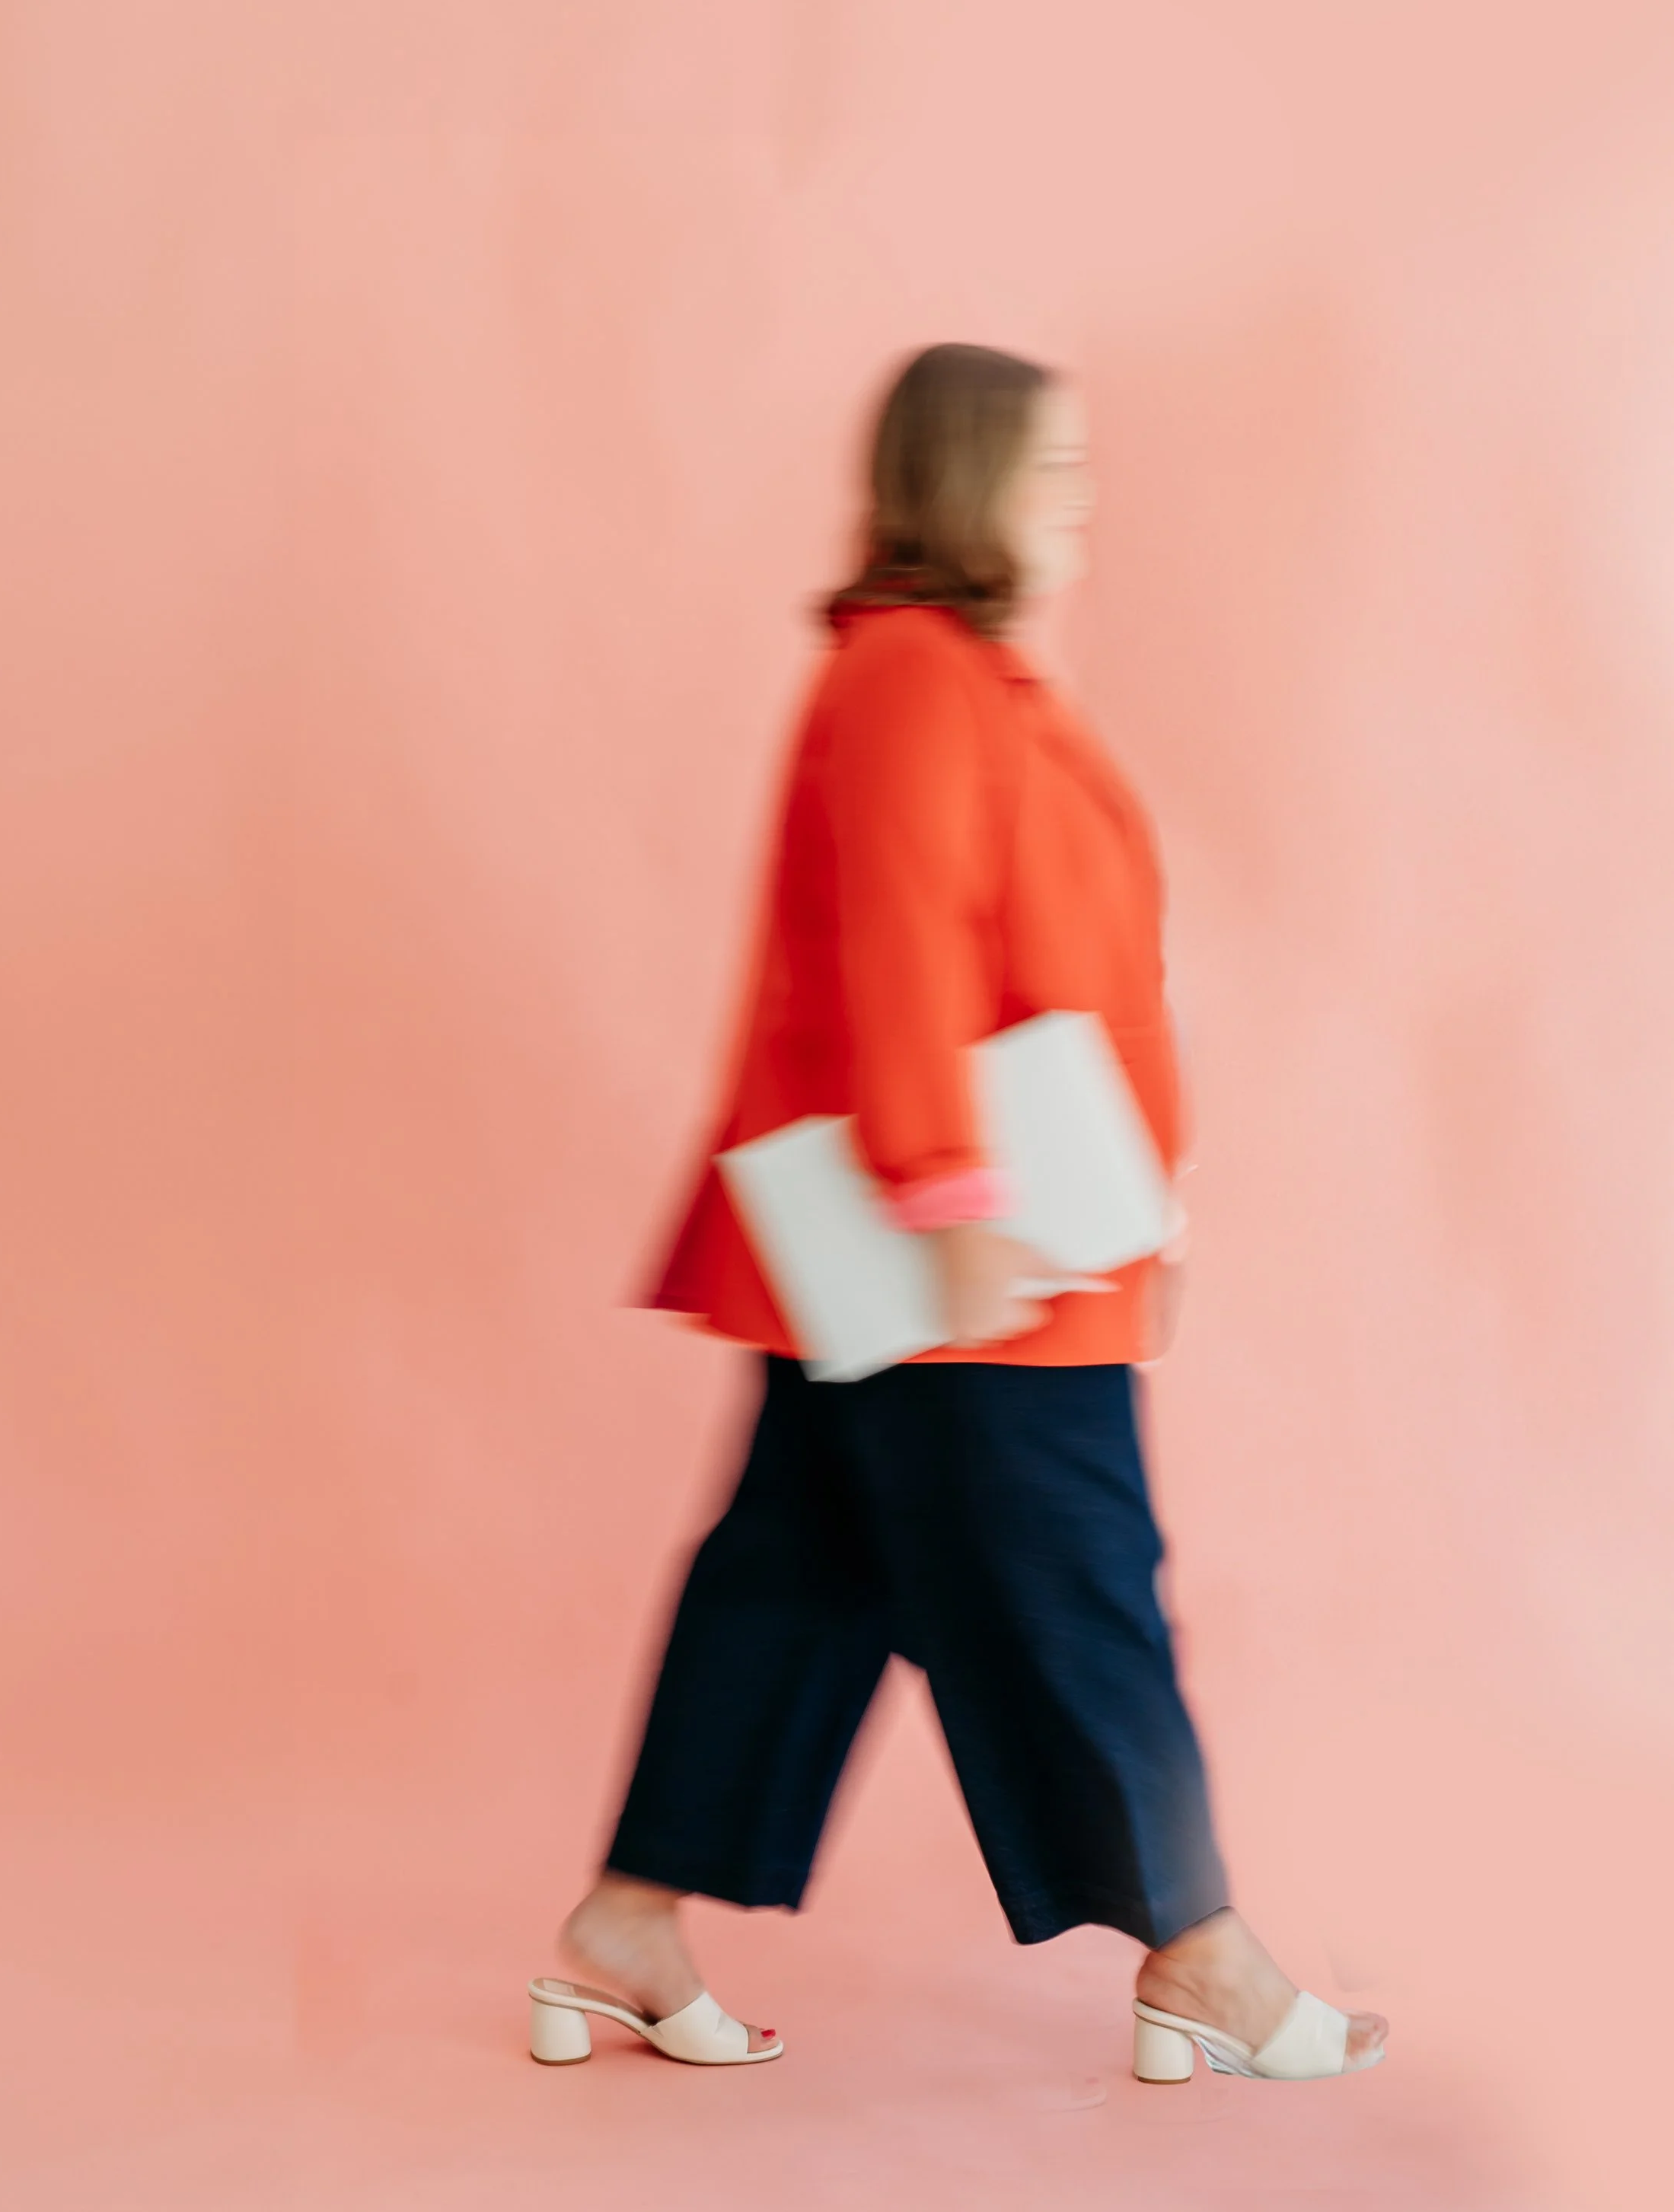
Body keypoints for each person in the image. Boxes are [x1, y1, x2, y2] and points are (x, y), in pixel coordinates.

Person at [527, 343, 1386, 2086]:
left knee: (798, 1580)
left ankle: (620, 1928)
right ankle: (1200, 1962)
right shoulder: (916, 679)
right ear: (962, 480)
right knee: (1078, 1585)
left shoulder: (961, 680)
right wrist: (944, 1195)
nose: (1076, 503)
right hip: (964, 1259)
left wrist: (1155, 1210)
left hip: (984, 1242)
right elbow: (903, 945)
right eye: (1047, 470)